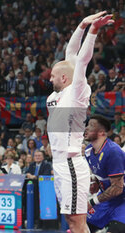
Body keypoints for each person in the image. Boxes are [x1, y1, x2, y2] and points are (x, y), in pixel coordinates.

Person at [47, 12, 114, 233]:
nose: (49, 79)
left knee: (76, 222)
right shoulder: (55, 96)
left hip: (71, 164)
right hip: (59, 164)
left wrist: (93, 32)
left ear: (65, 78)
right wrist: (83, 24)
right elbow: (71, 53)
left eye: (53, 76)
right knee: (73, 222)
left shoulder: (76, 93)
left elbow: (82, 60)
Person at [84, 115, 125, 233]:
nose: (86, 128)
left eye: (91, 125)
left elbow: (117, 188)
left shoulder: (112, 151)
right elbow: (101, 173)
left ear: (102, 132)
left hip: (122, 200)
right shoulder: (88, 151)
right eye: (87, 125)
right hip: (107, 200)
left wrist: (91, 202)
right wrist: (95, 181)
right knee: (79, 226)